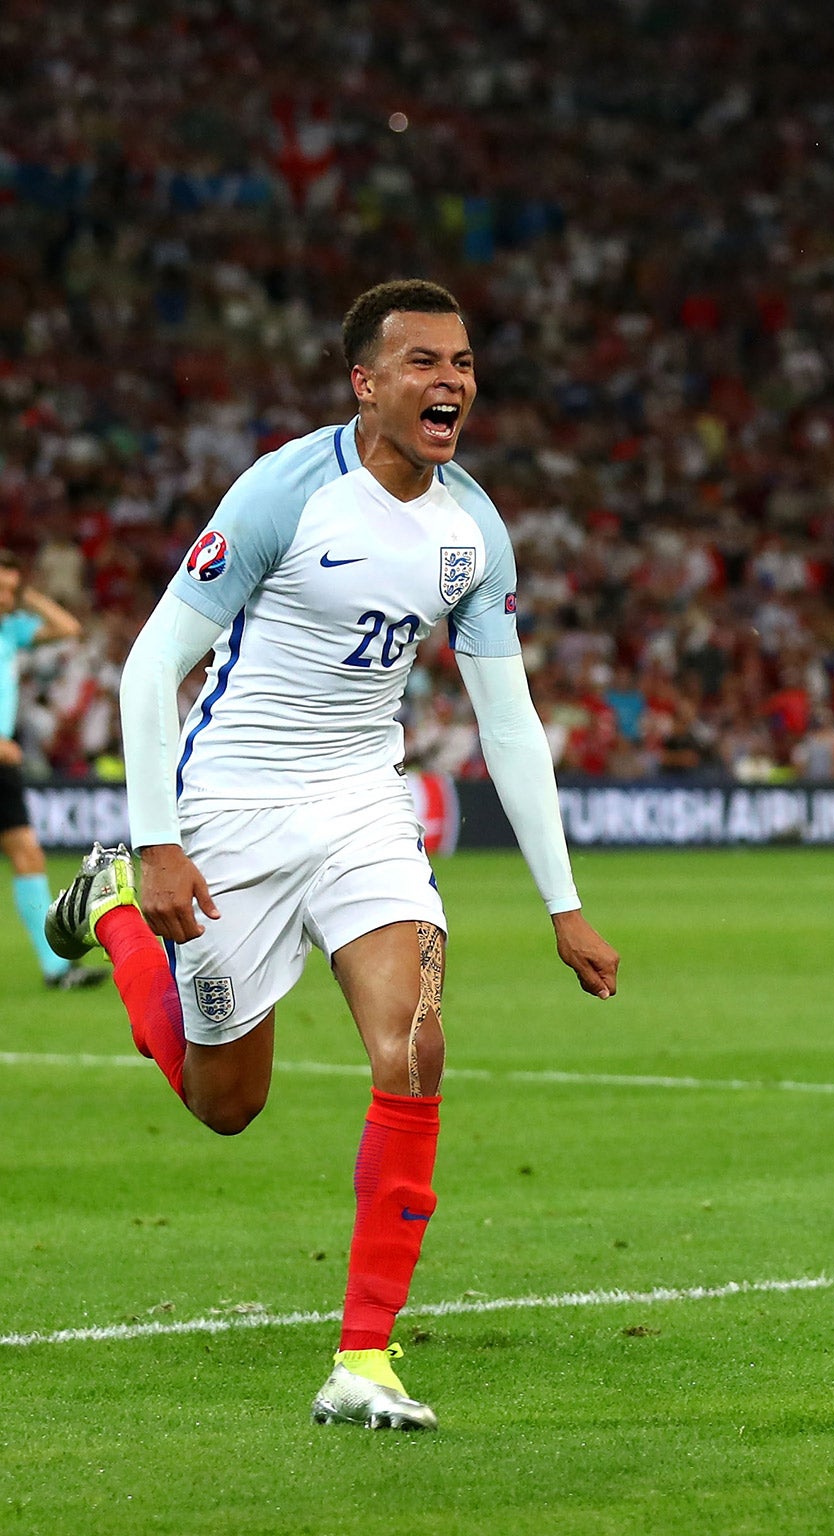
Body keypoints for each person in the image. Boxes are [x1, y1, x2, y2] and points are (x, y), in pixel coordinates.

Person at [44, 280, 620, 1430]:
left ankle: (364, 1359)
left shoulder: (472, 531)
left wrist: (564, 903)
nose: (448, 381)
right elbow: (150, 667)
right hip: (232, 813)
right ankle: (110, 902)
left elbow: (505, 719)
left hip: (364, 804)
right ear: (366, 383)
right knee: (226, 1105)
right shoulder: (284, 492)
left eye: (459, 361)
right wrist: (156, 845)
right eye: (420, 362)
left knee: (414, 1044)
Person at [0, 552, 105, 989]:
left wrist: (29, 595)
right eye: (2, 589)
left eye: (11, 590)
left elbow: (69, 628)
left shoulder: (12, 631)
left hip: (2, 766)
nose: (8, 598)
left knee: (28, 854)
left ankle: (56, 968)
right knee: (27, 852)